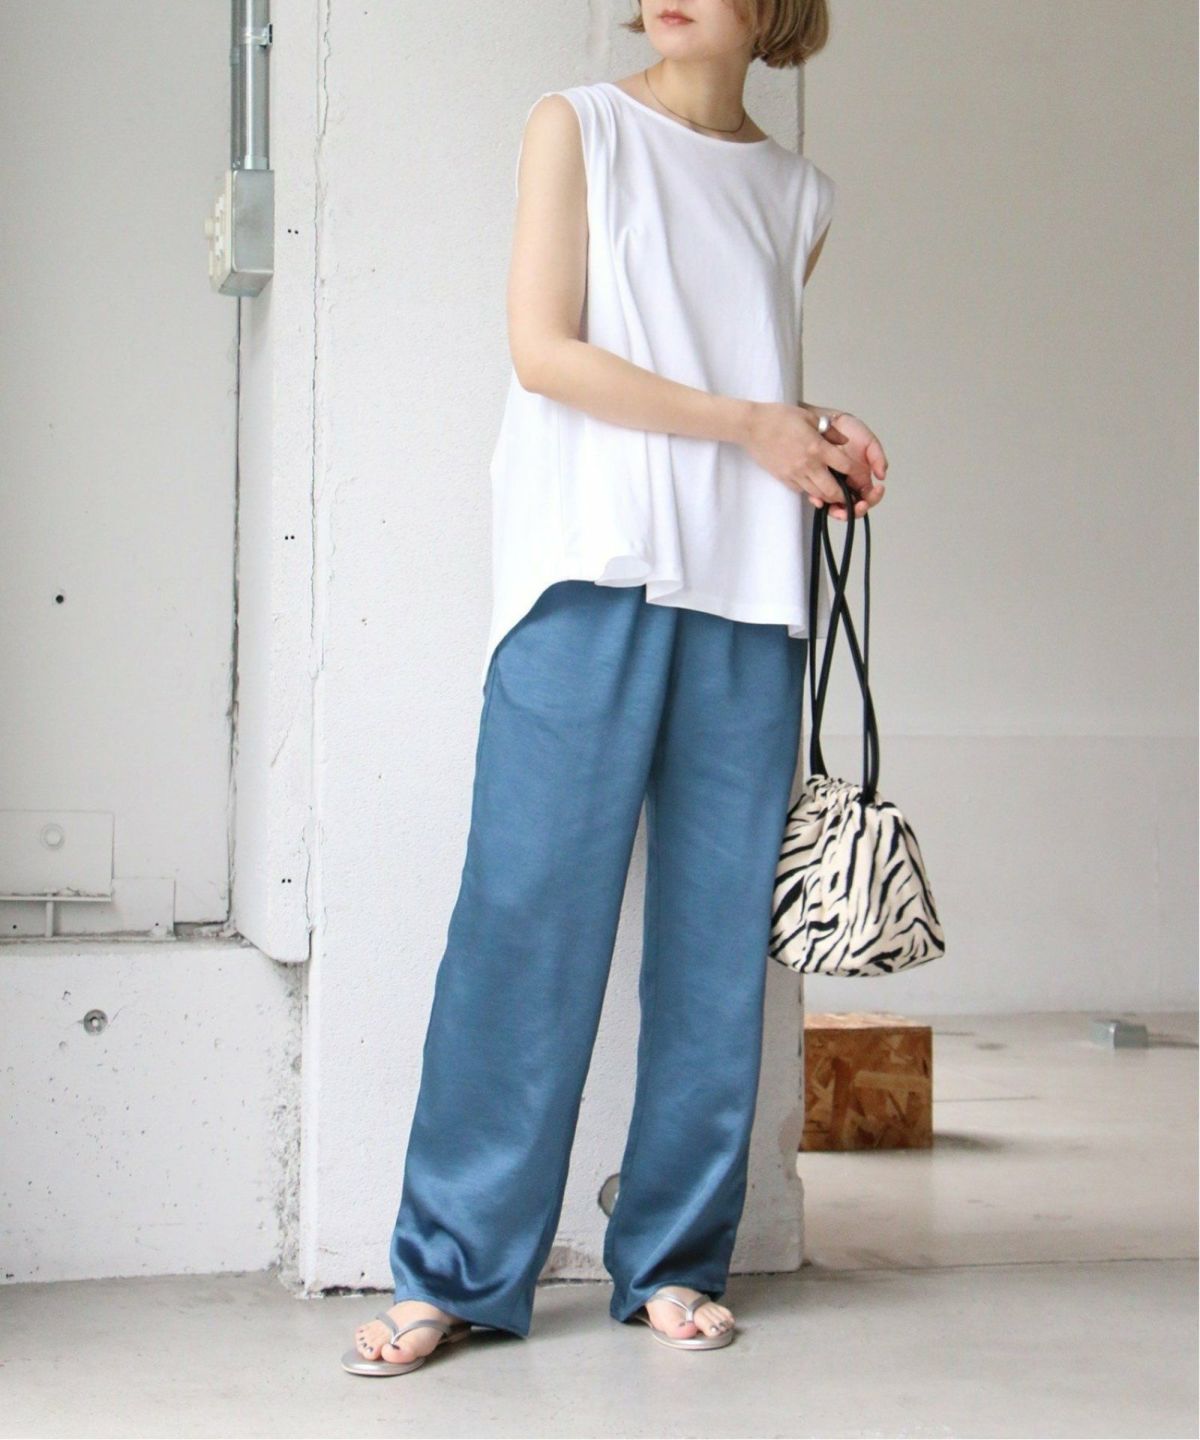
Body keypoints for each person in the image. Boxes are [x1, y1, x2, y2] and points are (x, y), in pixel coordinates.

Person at [343, 0, 887, 1377]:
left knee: (715, 946)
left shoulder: (798, 193)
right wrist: (755, 422)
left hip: (747, 593)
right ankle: (456, 1269)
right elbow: (548, 353)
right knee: (524, 917)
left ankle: (676, 1259)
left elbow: (737, 366)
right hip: (588, 568)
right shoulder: (575, 127)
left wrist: (813, 428)